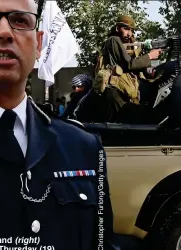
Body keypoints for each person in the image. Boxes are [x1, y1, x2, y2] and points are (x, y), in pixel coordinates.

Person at [0, 0, 119, 249]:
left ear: (39, 43)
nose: (4, 32)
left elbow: (101, 241)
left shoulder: (84, 148)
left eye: (20, 20)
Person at [94, 15, 176, 122]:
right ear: (118, 28)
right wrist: (150, 56)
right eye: (126, 29)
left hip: (129, 91)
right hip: (117, 91)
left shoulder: (129, 45)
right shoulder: (113, 40)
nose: (129, 33)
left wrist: (148, 71)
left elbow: (135, 66)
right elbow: (128, 65)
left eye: (131, 30)